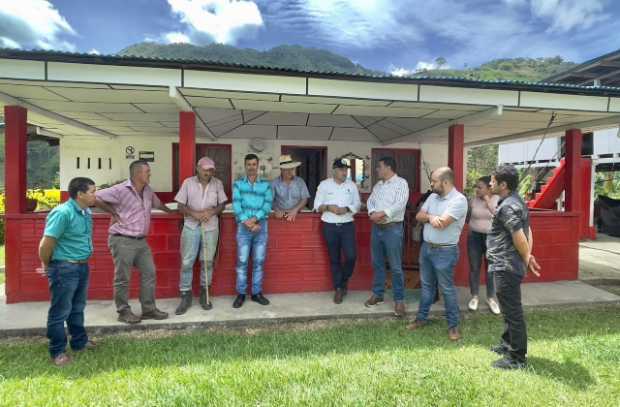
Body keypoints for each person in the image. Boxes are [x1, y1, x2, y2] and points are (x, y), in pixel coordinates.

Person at [95, 160, 173, 324]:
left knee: (149, 272)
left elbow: (159, 204)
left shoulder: (148, 190)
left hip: (141, 241)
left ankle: (149, 309)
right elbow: (95, 197)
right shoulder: (120, 190)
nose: (150, 174)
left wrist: (175, 211)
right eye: (147, 172)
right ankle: (123, 311)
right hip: (122, 239)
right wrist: (113, 212)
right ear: (138, 173)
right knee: (123, 277)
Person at [38, 177, 97, 366]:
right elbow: (47, 243)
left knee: (77, 307)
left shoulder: (85, 211)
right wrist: (46, 265)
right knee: (60, 311)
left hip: (81, 266)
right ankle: (57, 351)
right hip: (64, 267)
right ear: (80, 194)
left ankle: (79, 342)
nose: (96, 195)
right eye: (92, 192)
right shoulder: (63, 213)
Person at [487, 165, 541, 370]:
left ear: (503, 184)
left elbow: (519, 234)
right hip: (509, 263)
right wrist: (527, 256)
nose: (490, 184)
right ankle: (507, 343)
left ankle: (517, 358)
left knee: (512, 312)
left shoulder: (508, 206)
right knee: (509, 308)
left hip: (506, 265)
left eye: (493, 181)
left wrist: (527, 256)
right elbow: (528, 230)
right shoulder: (517, 201)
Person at [408, 167, 468, 341]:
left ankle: (453, 326)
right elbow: (419, 215)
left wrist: (431, 217)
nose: (431, 184)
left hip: (445, 251)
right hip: (426, 248)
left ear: (446, 182)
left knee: (446, 289)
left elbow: (442, 223)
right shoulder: (433, 196)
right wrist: (431, 217)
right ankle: (421, 319)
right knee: (426, 287)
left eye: (434, 181)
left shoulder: (459, 200)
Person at [174, 157, 227, 314]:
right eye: (205, 169)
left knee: (207, 261)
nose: (208, 172)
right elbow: (180, 205)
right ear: (197, 168)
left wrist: (211, 212)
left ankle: (205, 293)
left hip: (210, 227)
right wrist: (195, 213)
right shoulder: (188, 183)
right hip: (191, 226)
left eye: (210, 169)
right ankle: (185, 295)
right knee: (187, 261)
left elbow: (222, 204)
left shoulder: (217, 183)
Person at [364, 156, 410, 317]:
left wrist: (382, 213)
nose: (377, 169)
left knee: (396, 266)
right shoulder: (378, 185)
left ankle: (399, 299)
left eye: (379, 167)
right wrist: (372, 213)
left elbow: (400, 203)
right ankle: (378, 295)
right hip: (377, 228)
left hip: (393, 229)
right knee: (377, 263)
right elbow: (370, 201)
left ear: (388, 168)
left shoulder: (401, 183)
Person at [314, 158, 361, 304]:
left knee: (351, 256)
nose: (344, 172)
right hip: (329, 225)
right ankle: (338, 289)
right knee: (334, 259)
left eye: (346, 169)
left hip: (347, 225)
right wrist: (329, 207)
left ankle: (343, 280)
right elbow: (316, 205)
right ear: (334, 170)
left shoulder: (351, 185)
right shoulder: (324, 185)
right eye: (341, 169)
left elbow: (358, 205)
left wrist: (346, 209)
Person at [232, 153, 273, 308]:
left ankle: (256, 293)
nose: (251, 167)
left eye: (253, 164)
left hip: (260, 228)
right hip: (243, 229)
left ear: (258, 166)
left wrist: (255, 219)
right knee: (242, 262)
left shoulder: (266, 185)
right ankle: (241, 294)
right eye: (248, 164)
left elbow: (267, 205)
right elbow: (236, 205)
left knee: (259, 262)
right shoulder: (238, 184)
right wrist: (248, 223)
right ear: (245, 166)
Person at [467, 176, 501, 314]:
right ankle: (474, 296)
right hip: (474, 237)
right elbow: (467, 216)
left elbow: (498, 215)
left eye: (480, 187)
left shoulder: (497, 199)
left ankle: (491, 298)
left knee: (491, 269)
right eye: (476, 187)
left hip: (491, 238)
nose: (477, 189)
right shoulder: (473, 200)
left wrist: (488, 202)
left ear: (489, 188)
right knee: (474, 267)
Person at [272, 154, 310, 222]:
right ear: (281, 169)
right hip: (281, 216)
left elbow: (305, 199)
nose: (290, 172)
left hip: (298, 215)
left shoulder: (300, 181)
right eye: (287, 169)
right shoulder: (274, 183)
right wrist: (276, 209)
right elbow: (270, 200)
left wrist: (295, 210)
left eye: (291, 169)